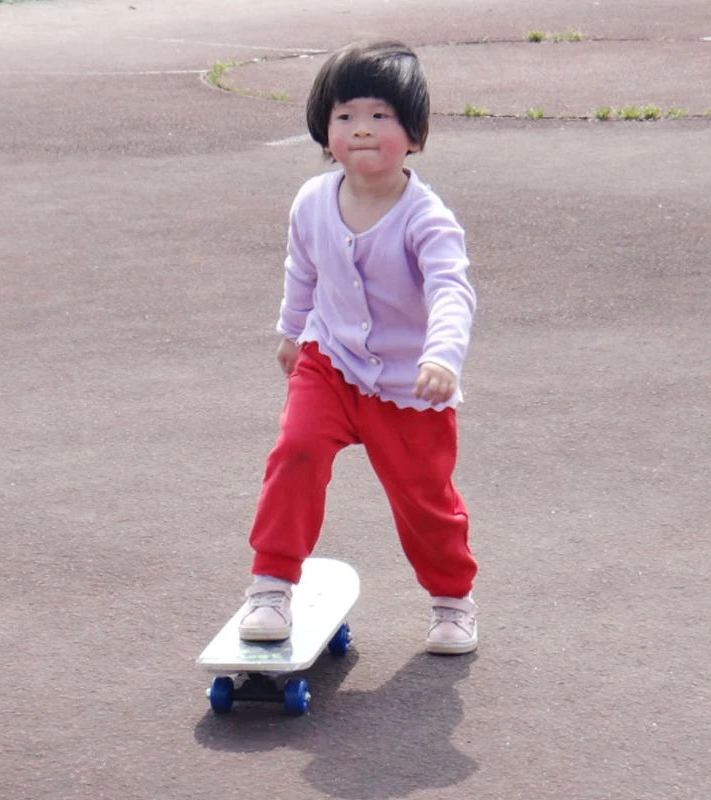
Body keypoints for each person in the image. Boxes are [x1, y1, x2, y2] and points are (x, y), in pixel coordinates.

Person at [237, 39, 478, 655]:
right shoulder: (312, 200)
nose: (361, 130)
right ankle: (270, 585)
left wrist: (441, 357)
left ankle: (452, 599)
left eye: (379, 116)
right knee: (294, 452)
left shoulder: (427, 219)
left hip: (409, 384)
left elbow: (452, 291)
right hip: (330, 363)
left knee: (424, 501)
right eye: (345, 116)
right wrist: (292, 331)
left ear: (414, 133)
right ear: (325, 129)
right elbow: (303, 269)